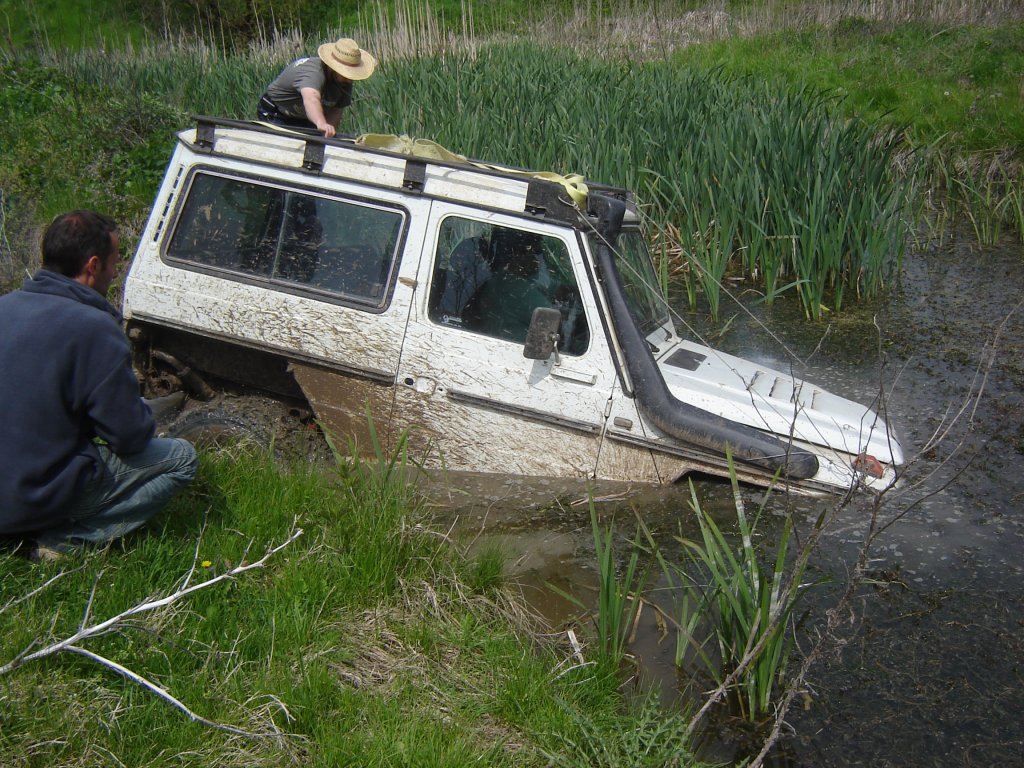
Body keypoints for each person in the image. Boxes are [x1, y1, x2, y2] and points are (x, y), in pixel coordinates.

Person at [0, 211, 198, 559]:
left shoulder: (5, 306)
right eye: (114, 262)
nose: (115, 271)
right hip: (26, 498)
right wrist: (143, 418)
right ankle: (62, 541)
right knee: (182, 458)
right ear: (92, 266)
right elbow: (129, 437)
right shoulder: (95, 328)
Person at [257, 37, 377, 138]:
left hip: (304, 119)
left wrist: (327, 134)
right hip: (277, 112)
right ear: (333, 68)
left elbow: (337, 110)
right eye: (346, 74)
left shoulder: (344, 81)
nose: (349, 79)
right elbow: (311, 99)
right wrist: (321, 123)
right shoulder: (313, 72)